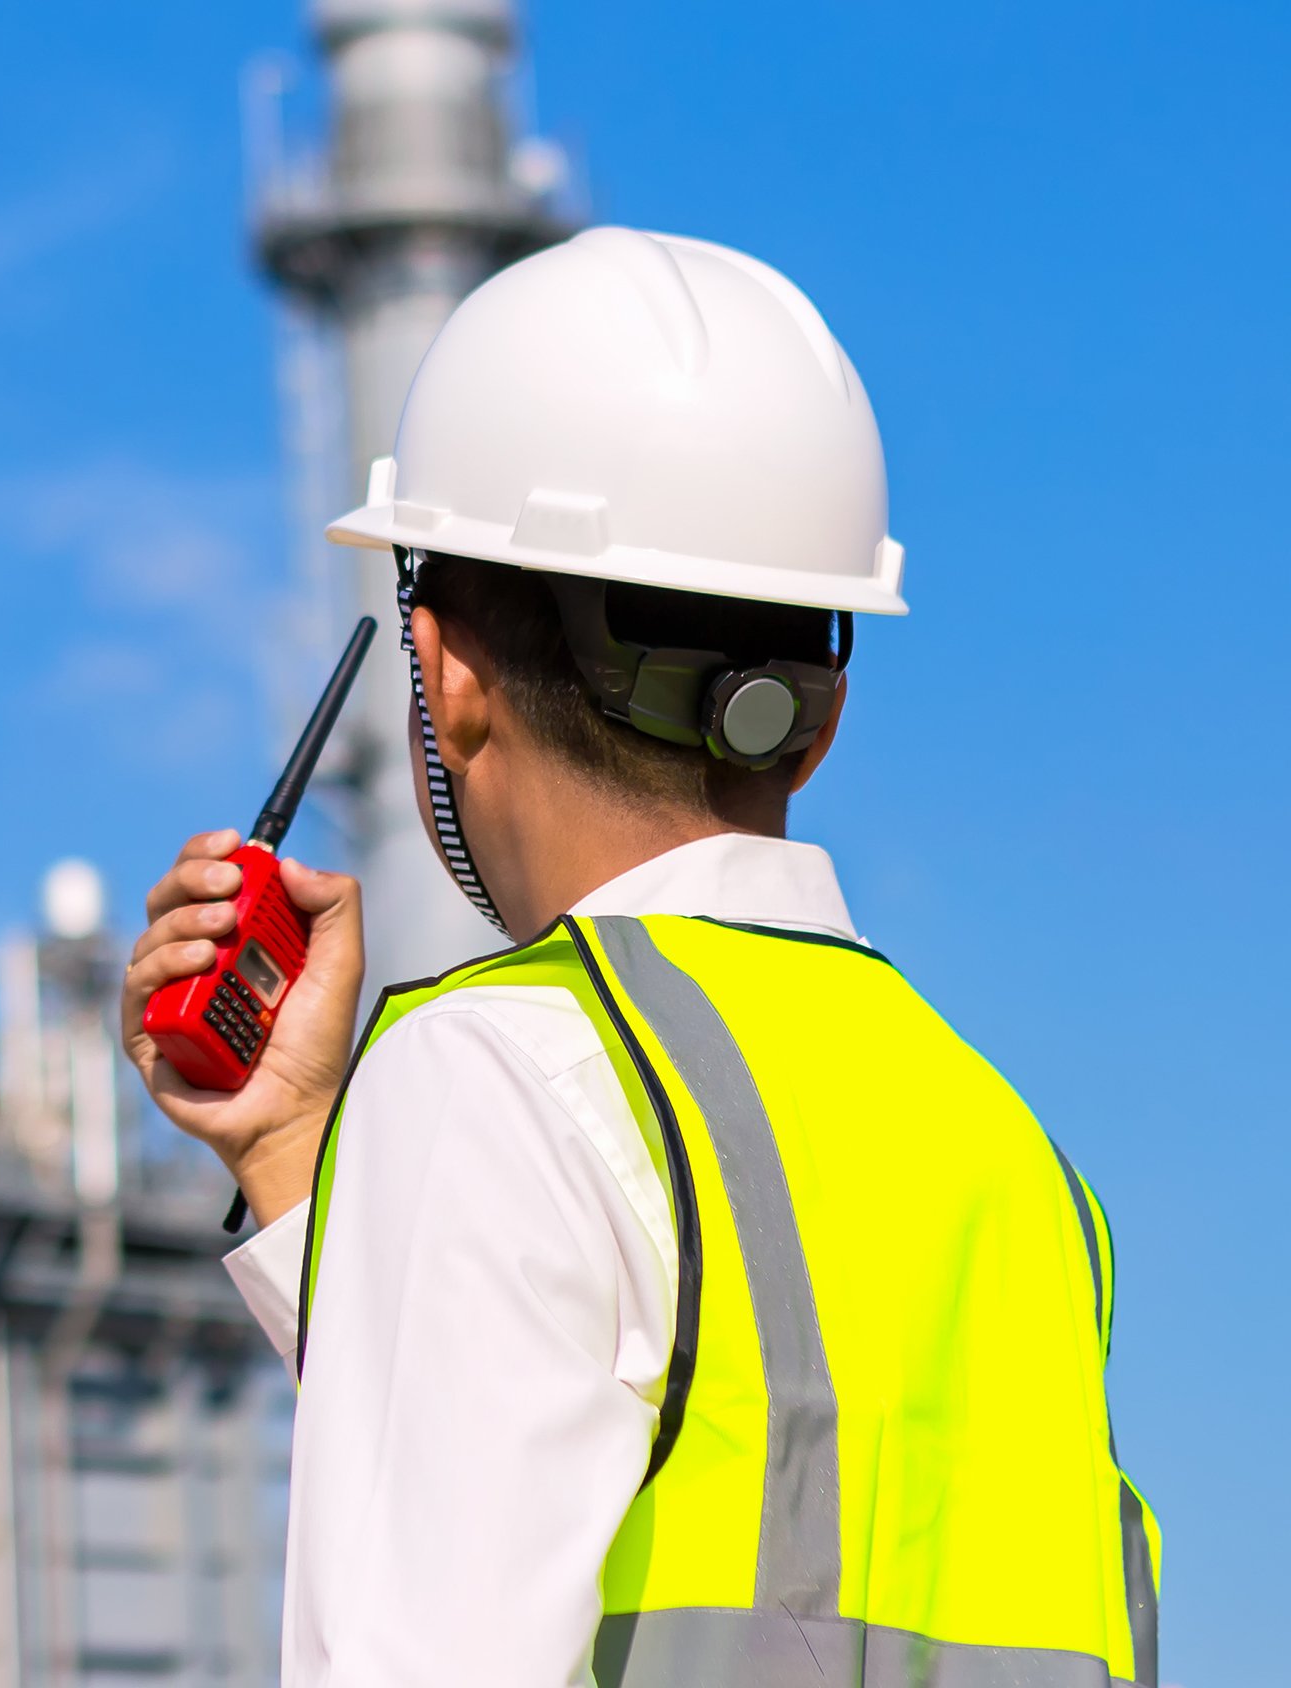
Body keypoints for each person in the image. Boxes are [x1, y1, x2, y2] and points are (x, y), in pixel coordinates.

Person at [121, 227, 1159, 1687]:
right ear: (822, 711)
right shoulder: (1006, 1155)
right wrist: (297, 1150)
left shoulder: (498, 1067)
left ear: (448, 675)